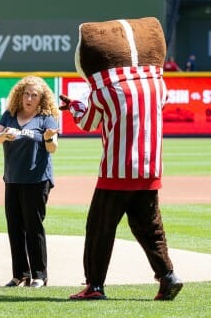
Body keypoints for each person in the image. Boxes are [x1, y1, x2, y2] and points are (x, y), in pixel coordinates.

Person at [60, 18, 183, 301]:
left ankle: (95, 285)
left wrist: (74, 107)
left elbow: (90, 121)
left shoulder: (105, 88)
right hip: (151, 167)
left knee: (99, 228)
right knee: (149, 226)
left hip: (118, 169)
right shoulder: (158, 85)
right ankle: (168, 276)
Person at [0, 75, 59, 288]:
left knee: (33, 227)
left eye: (34, 95)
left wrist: (48, 137)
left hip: (37, 179)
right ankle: (20, 274)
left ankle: (40, 275)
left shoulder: (46, 118)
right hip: (12, 178)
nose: (29, 98)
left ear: (42, 98)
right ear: (20, 95)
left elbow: (53, 147)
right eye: (26, 94)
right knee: (14, 227)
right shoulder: (9, 115)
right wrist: (4, 136)